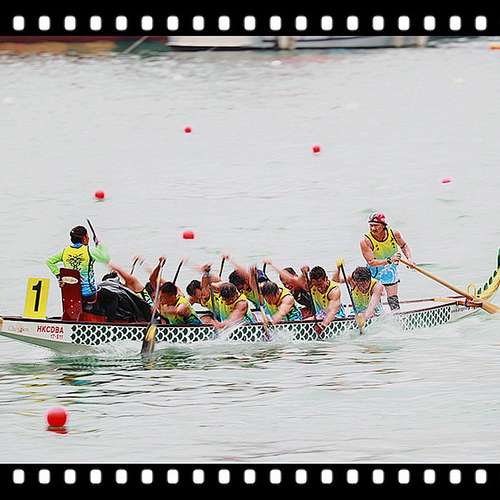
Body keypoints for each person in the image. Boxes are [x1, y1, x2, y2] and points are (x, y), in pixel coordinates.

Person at [360, 212, 415, 311]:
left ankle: (397, 317)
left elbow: (404, 245)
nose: (373, 228)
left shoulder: (394, 234)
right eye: (371, 225)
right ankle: (376, 316)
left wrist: (409, 259)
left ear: (383, 225)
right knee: (376, 303)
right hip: (374, 274)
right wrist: (390, 260)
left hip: (390, 271)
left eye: (376, 225)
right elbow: (371, 262)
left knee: (393, 301)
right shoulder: (365, 241)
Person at [46, 225, 110, 309]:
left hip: (71, 294)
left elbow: (49, 261)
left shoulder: (65, 251)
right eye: (87, 236)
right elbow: (106, 258)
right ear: (84, 238)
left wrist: (59, 276)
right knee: (111, 297)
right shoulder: (89, 250)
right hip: (88, 294)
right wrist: (98, 245)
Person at [303, 265, 345, 334]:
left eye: (320, 284)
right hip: (319, 315)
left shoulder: (334, 291)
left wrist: (323, 325)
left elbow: (332, 311)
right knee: (305, 321)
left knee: (308, 321)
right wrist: (304, 272)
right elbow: (298, 281)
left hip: (336, 317)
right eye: (316, 285)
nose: (318, 288)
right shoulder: (311, 285)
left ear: (326, 279)